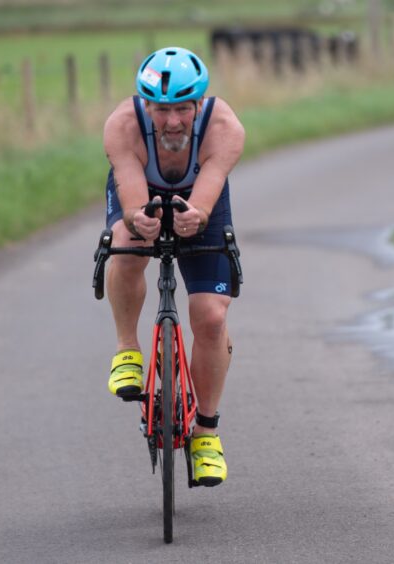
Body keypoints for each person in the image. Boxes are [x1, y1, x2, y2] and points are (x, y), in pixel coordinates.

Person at [101, 47, 245, 486]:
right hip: (142, 194)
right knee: (125, 243)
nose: (173, 121)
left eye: (183, 108)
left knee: (211, 316)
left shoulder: (224, 127)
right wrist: (136, 216)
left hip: (202, 201)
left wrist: (196, 215)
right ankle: (128, 349)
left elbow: (209, 189)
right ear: (146, 106)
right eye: (162, 110)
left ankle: (206, 434)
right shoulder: (122, 125)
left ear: (199, 104)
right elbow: (129, 189)